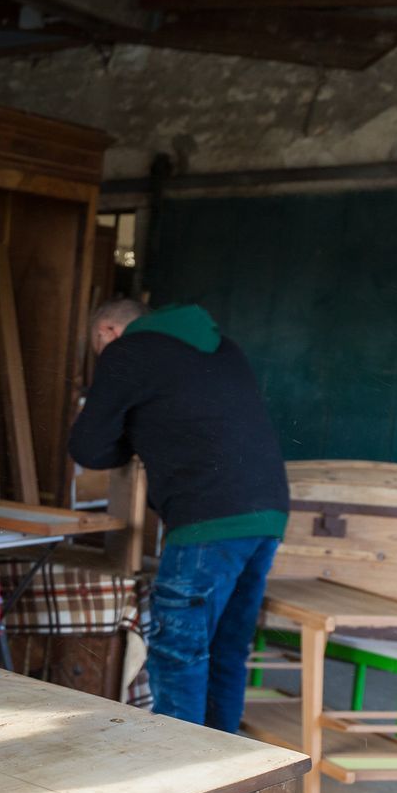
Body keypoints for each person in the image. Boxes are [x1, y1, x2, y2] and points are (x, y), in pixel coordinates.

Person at [69, 299, 290, 734]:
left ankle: (182, 767)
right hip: (268, 514)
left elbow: (88, 447)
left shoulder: (126, 351)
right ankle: (224, 762)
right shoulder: (223, 346)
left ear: (107, 332)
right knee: (226, 652)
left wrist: (130, 436)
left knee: (178, 654)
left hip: (206, 520)